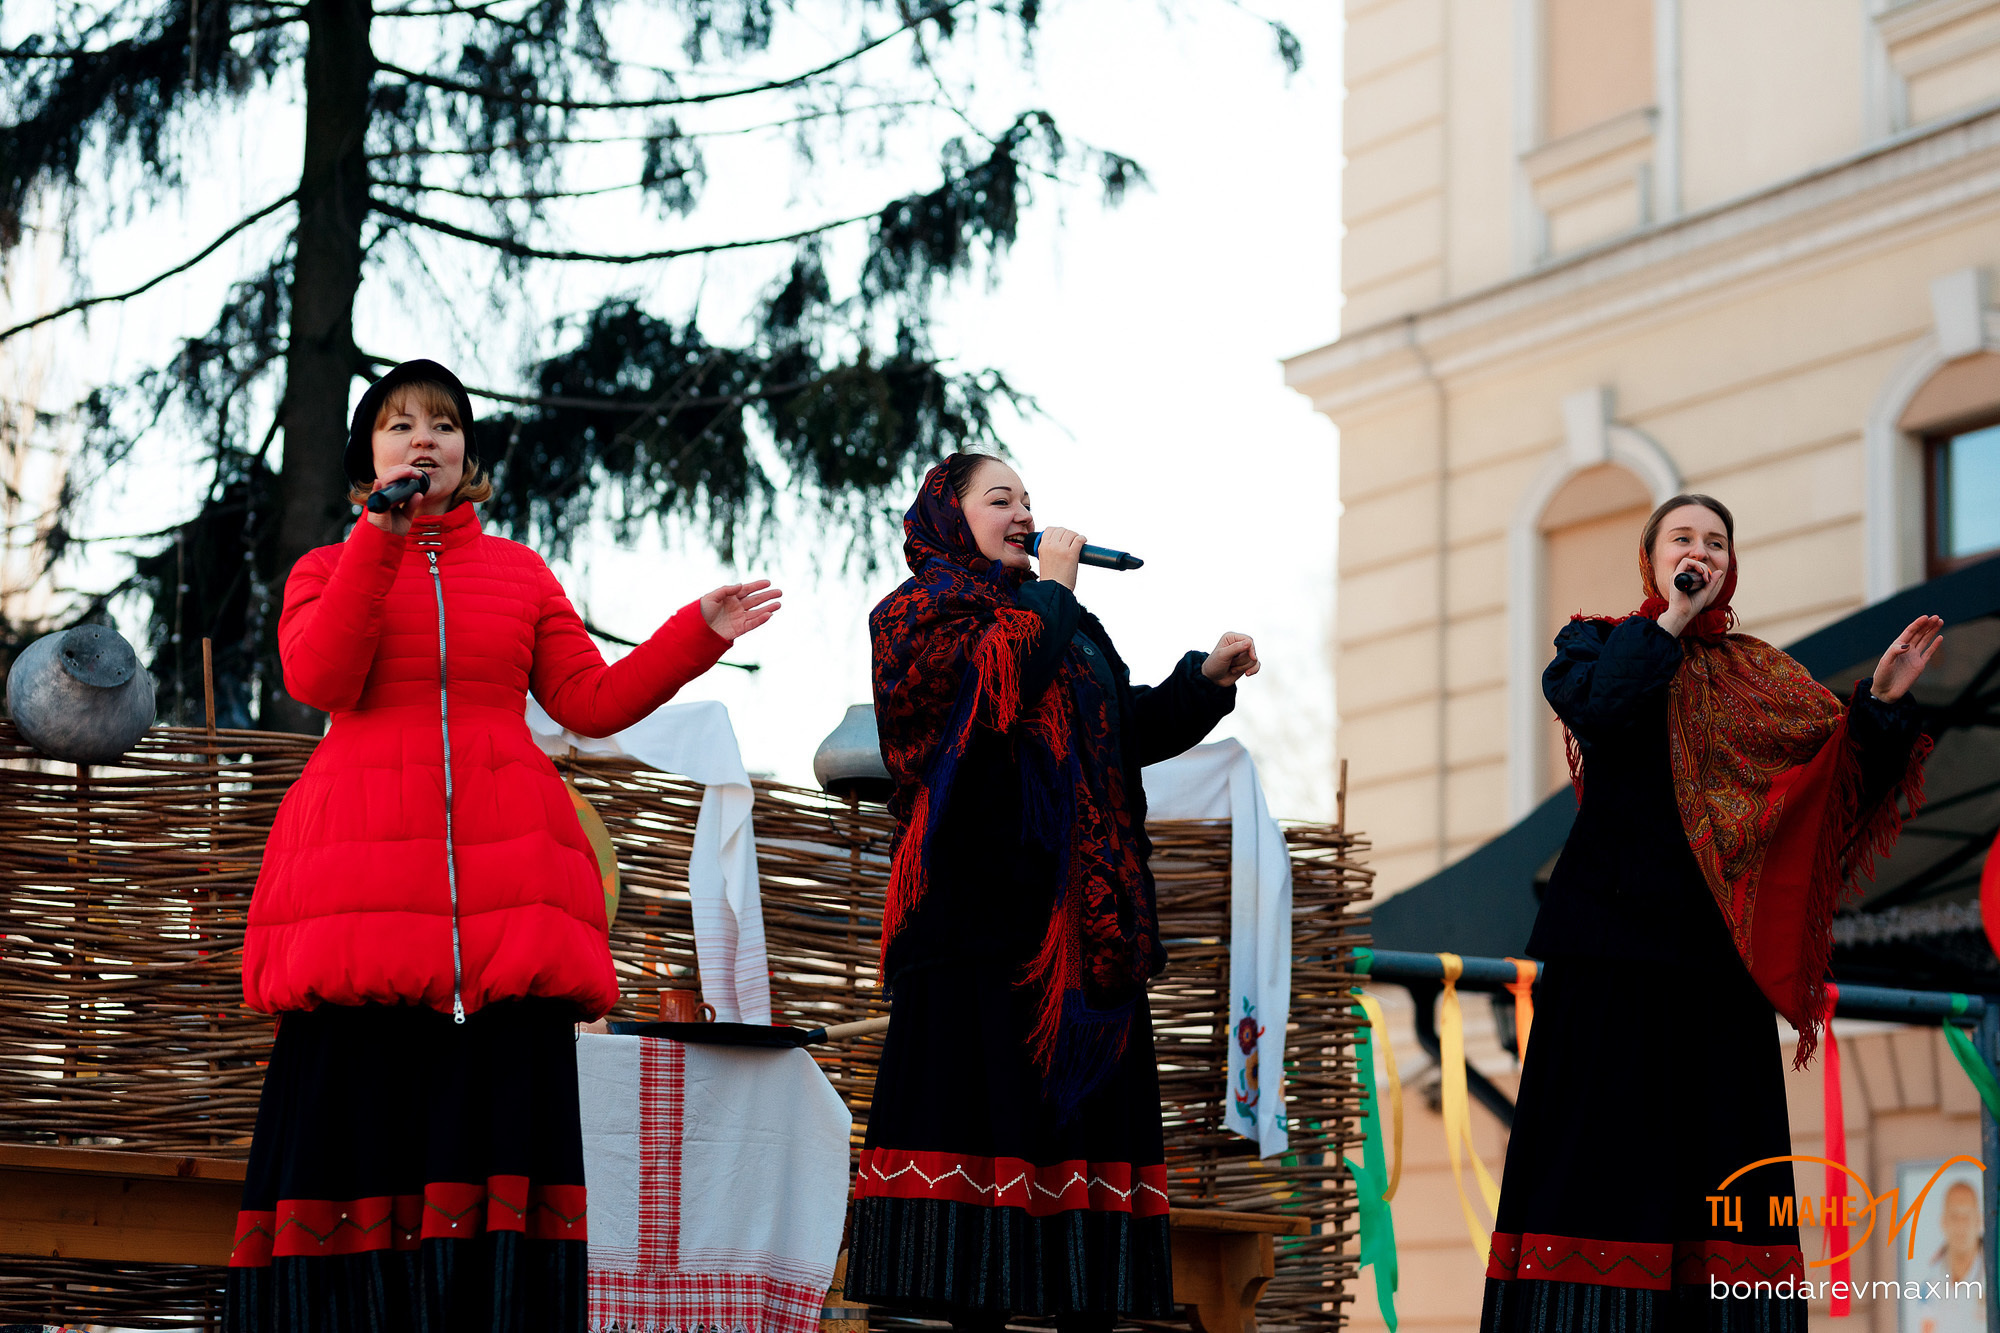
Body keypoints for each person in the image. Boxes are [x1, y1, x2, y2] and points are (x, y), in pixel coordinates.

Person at [224, 359, 779, 1332]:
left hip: (504, 916)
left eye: (442, 424)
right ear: (369, 455)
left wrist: (695, 634)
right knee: (357, 1150)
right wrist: (379, 543)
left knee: (492, 1167)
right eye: (399, 425)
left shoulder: (520, 573)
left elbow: (590, 702)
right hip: (357, 910)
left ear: (467, 452)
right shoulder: (324, 568)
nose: (423, 439)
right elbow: (322, 675)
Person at [1481, 494, 1936, 1333]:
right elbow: (1605, 708)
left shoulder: (1761, 677)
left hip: (1716, 970)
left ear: (1734, 562)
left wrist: (1878, 704)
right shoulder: (1593, 644)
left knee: (1727, 1187)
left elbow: (1828, 795)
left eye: (1717, 541)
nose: (1702, 551)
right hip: (1609, 957)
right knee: (1599, 1169)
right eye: (1683, 539)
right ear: (1652, 561)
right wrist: (1670, 622)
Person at [846, 453, 1260, 1330]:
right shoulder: (914, 615)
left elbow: (1121, 727)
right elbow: (991, 695)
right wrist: (1056, 591)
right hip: (976, 934)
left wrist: (1203, 684)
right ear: (951, 518)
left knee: (1079, 1195)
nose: (1025, 514)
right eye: (1001, 499)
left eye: (1030, 500)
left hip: (1083, 929)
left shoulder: (1061, 620)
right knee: (979, 1177)